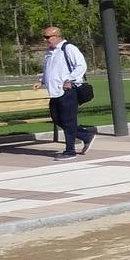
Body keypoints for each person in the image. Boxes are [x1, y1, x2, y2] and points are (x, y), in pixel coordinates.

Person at [32, 26, 94, 160]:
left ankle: (70, 151)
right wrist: (41, 81)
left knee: (69, 121)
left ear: (57, 36)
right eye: (44, 37)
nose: (45, 40)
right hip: (54, 91)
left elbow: (81, 66)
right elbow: (49, 69)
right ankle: (85, 136)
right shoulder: (49, 52)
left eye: (47, 37)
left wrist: (70, 80)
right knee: (56, 118)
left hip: (68, 90)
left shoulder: (69, 48)